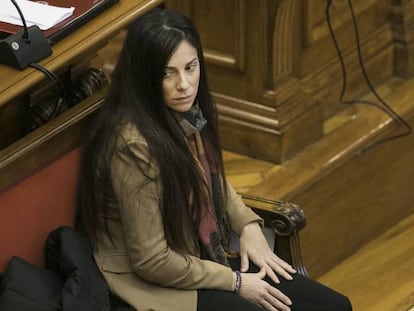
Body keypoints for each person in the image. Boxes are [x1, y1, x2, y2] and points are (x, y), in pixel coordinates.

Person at [77, 7, 352, 311]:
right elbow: (152, 261)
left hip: (202, 256)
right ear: (143, 76)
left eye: (190, 67)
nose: (184, 84)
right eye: (167, 73)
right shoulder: (132, 147)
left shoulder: (184, 113)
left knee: (334, 306)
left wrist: (248, 226)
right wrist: (235, 281)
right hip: (157, 284)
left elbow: (210, 178)